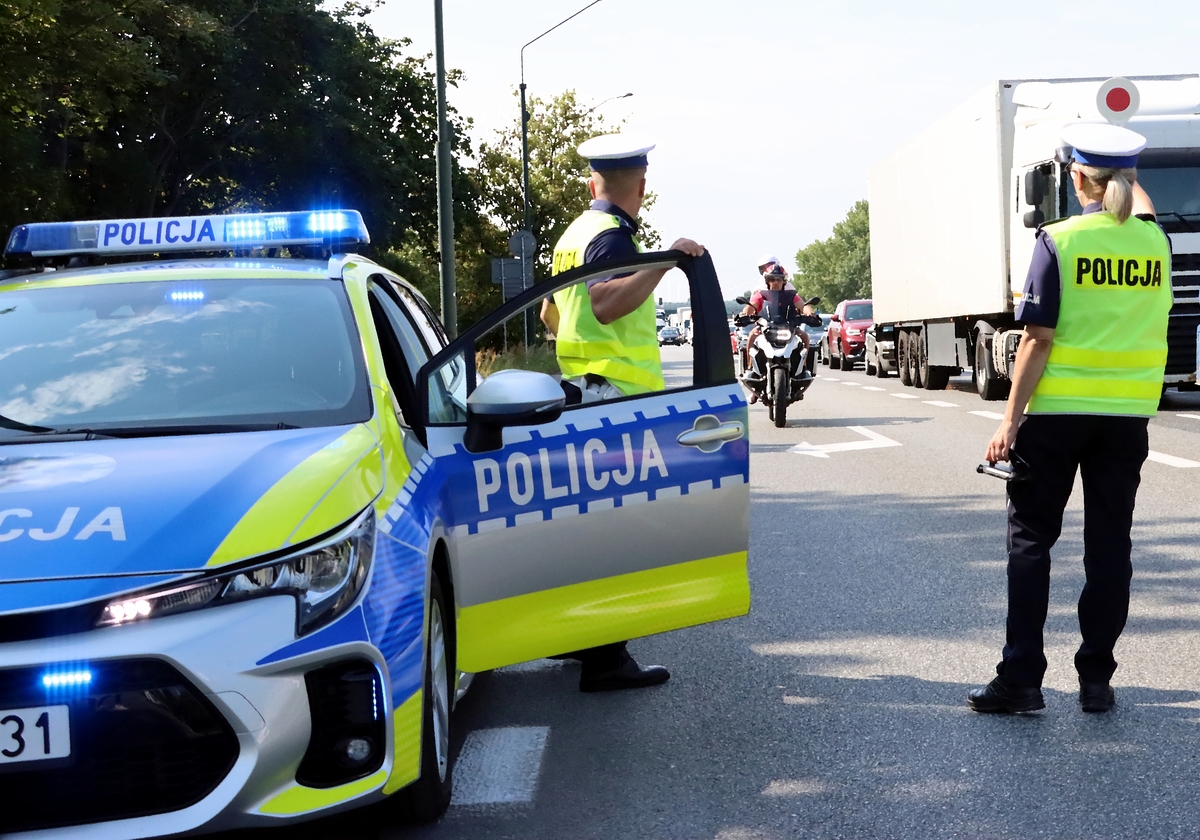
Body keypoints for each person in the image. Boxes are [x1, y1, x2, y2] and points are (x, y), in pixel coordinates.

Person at [969, 123, 1173, 715]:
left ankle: (1022, 679)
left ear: (1075, 177)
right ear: (1130, 180)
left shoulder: (1059, 239)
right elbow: (1143, 211)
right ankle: (1096, 681)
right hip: (1127, 417)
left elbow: (1036, 338)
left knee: (1031, 542)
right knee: (1110, 546)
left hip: (1057, 415)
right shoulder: (1153, 244)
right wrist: (1129, 178)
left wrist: (1010, 421)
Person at [538, 133, 704, 692]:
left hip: (579, 393)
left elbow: (548, 315)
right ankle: (607, 660)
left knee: (587, 529)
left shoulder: (573, 234)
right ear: (642, 184)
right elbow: (606, 304)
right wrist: (664, 263)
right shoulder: (611, 238)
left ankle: (582, 638)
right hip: (612, 402)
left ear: (593, 182)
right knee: (617, 531)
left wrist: (581, 354)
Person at [737, 264, 819, 401]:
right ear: (767, 281)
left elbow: (803, 306)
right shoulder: (761, 296)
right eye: (772, 279)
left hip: (788, 328)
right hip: (765, 328)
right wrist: (745, 314)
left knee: (805, 336)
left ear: (784, 281)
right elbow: (751, 307)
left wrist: (810, 314)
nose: (775, 282)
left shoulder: (791, 296)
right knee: (751, 337)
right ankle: (751, 369)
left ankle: (802, 369)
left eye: (779, 279)